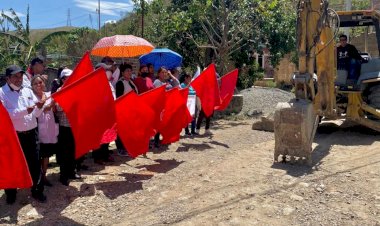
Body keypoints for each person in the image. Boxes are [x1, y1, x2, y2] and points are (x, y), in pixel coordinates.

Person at [0, 65, 47, 204]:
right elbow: (5, 115)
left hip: (31, 133)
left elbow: (35, 113)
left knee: (34, 163)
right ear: (7, 78)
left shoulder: (27, 90)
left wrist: (39, 107)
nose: (18, 79)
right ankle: (11, 192)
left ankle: (37, 191)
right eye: (15, 76)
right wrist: (25, 111)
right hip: (14, 136)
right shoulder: (1, 93)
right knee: (13, 164)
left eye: (20, 76)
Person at [31, 75, 58, 187]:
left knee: (46, 154)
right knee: (37, 155)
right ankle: (36, 178)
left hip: (49, 128)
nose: (39, 85)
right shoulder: (31, 96)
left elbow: (55, 108)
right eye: (36, 83)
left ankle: (44, 176)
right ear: (32, 86)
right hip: (37, 129)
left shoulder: (49, 95)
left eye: (40, 82)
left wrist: (52, 104)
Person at [55, 69, 81, 186]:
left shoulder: (77, 90)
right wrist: (69, 103)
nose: (68, 79)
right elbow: (59, 108)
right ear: (62, 79)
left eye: (70, 77)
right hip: (64, 126)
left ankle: (72, 171)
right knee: (64, 152)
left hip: (75, 125)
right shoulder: (59, 91)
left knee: (73, 150)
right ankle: (63, 175)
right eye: (66, 78)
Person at [91, 63, 116, 164]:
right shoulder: (94, 83)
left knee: (107, 135)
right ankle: (98, 156)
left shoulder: (108, 82)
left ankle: (105, 154)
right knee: (98, 137)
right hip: (98, 114)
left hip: (108, 112)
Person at [115, 63, 138, 156]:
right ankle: (120, 148)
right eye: (127, 71)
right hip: (124, 110)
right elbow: (119, 98)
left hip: (132, 110)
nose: (129, 72)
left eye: (130, 70)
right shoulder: (120, 83)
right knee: (121, 130)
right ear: (122, 72)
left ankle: (127, 146)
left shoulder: (131, 82)